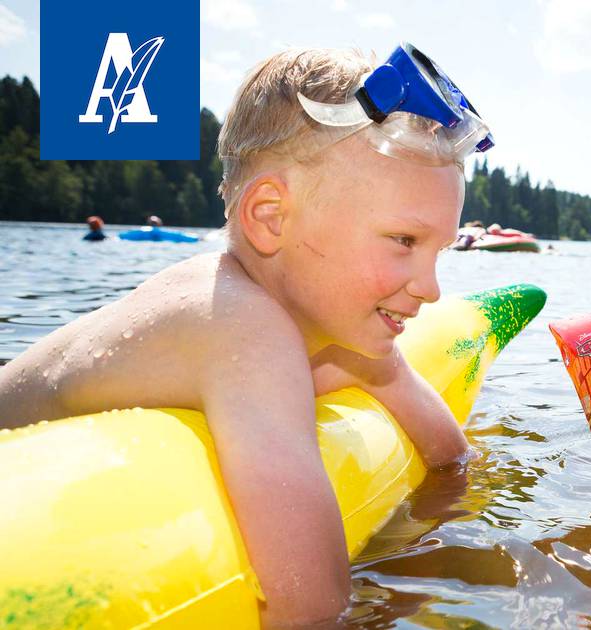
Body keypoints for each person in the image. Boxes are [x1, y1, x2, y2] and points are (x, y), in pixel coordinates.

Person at [0, 42, 494, 627]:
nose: (432, 289)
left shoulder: (349, 342)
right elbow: (308, 603)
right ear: (271, 217)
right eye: (404, 242)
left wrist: (436, 526)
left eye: (438, 251)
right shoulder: (242, 328)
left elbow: (449, 453)